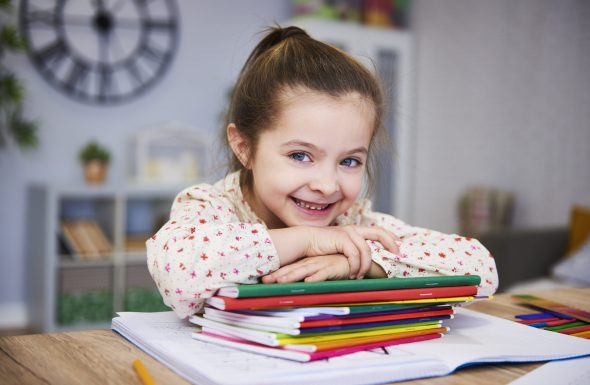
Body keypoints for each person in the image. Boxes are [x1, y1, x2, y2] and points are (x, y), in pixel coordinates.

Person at [147, 26, 498, 319]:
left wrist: (363, 261)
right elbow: (176, 274)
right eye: (300, 155)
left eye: (349, 162)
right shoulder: (211, 206)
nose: (327, 185)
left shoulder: (354, 224)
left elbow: (482, 271)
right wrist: (308, 240)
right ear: (244, 147)